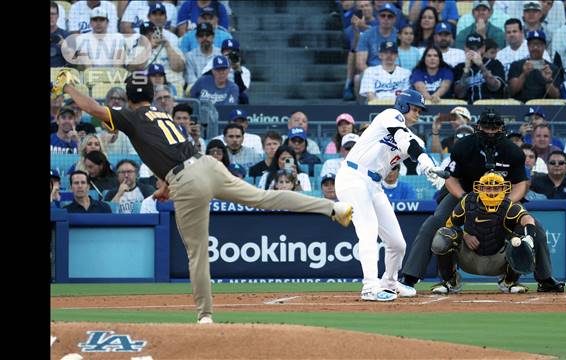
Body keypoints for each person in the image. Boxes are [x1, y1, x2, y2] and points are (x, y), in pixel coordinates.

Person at [55, 70, 354, 324]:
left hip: (187, 180)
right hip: (208, 166)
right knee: (267, 198)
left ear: (130, 99)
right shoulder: (160, 113)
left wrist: (67, 86)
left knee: (197, 252)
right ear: (150, 93)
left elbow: (94, 109)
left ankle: (205, 316)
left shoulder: (132, 117)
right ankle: (333, 208)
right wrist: (166, 186)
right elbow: (169, 148)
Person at [400, 108, 565, 293]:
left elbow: (522, 183)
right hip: (463, 191)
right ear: (478, 128)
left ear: (502, 129)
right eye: (487, 128)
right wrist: (465, 199)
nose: (491, 132)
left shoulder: (513, 151)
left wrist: (505, 203)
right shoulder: (463, 146)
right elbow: (450, 178)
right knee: (435, 223)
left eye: (495, 128)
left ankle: (545, 278)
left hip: (500, 195)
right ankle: (410, 276)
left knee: (535, 227)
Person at [335, 89, 441, 301]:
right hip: (353, 176)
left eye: (421, 109)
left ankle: (389, 283)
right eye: (415, 107)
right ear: (403, 105)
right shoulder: (389, 115)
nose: (418, 112)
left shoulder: (416, 140)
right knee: (368, 229)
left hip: (374, 185)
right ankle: (370, 287)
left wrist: (433, 172)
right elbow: (402, 140)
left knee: (397, 243)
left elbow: (417, 154)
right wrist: (424, 160)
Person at [430, 172, 537, 294]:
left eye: (496, 187)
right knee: (443, 235)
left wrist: (529, 238)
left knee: (519, 240)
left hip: (498, 260)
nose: (492, 192)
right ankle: (451, 282)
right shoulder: (468, 201)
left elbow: (528, 219)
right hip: (469, 257)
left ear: (503, 188)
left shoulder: (509, 205)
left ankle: (509, 282)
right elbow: (450, 224)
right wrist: (465, 235)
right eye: (488, 187)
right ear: (480, 188)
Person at [354, 3, 399, 98]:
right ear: (378, 17)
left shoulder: (399, 36)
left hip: (394, 72)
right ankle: (363, 110)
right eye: (383, 15)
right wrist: (376, 75)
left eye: (390, 16)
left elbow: (401, 59)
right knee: (358, 78)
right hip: (372, 72)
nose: (386, 18)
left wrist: (389, 75)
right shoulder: (367, 34)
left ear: (394, 19)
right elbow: (360, 63)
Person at [507, 30, 563, 103]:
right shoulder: (516, 65)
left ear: (544, 46)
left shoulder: (553, 68)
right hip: (521, 107)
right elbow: (512, 91)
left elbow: (556, 97)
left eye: (539, 44)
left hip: (544, 108)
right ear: (528, 46)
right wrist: (524, 74)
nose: (535, 47)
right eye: (532, 44)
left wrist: (548, 80)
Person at [129, 21, 186, 90]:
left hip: (171, 86)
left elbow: (178, 67)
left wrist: (167, 46)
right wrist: (149, 47)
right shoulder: (136, 50)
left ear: (158, 33)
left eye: (152, 33)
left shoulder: (172, 47)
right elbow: (133, 68)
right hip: (145, 88)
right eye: (146, 34)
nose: (150, 36)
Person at [453, 33, 506, 103]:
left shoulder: (495, 64)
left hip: (491, 108)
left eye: (477, 48)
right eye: (471, 48)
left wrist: (481, 65)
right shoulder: (459, 67)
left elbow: (495, 87)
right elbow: (460, 94)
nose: (473, 51)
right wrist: (466, 70)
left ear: (483, 48)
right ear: (465, 48)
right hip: (468, 110)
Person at [100, 87, 137, 155]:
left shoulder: (129, 130)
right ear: (107, 101)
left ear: (126, 102)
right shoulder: (99, 133)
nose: (116, 101)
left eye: (120, 99)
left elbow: (133, 154)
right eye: (113, 98)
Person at [185, 23, 219, 87]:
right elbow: (191, 80)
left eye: (208, 35)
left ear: (213, 37)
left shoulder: (220, 54)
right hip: (198, 91)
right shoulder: (190, 56)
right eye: (201, 36)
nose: (204, 38)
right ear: (197, 38)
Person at [220, 39, 251, 104]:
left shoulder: (245, 71)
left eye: (233, 51)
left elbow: (241, 90)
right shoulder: (214, 66)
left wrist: (237, 70)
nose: (230, 55)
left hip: (234, 97)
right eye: (227, 51)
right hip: (217, 94)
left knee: (243, 97)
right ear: (222, 53)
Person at [51, 2, 70, 67]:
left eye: (53, 14)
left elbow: (73, 64)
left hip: (59, 74)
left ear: (58, 16)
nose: (51, 17)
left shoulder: (66, 35)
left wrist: (65, 48)